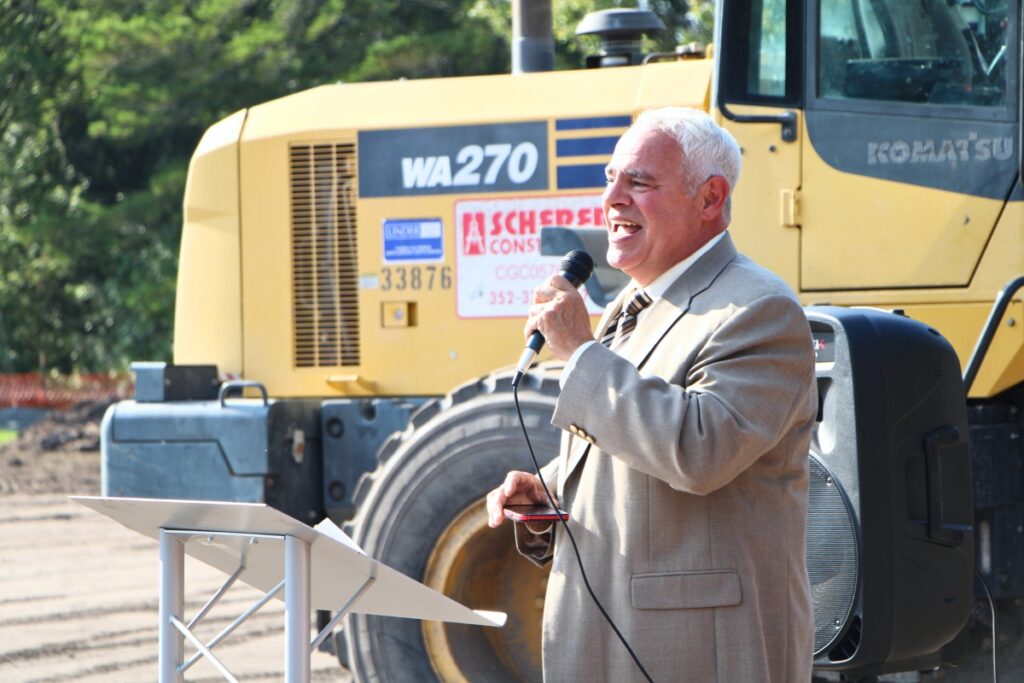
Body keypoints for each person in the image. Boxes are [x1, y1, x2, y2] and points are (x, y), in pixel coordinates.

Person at [486, 107, 816, 682]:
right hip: (608, 637)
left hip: (695, 651)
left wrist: (582, 353)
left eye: (638, 182)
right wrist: (552, 491)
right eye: (610, 178)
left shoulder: (758, 310)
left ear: (710, 198)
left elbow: (699, 452)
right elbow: (632, 446)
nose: (612, 197)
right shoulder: (632, 306)